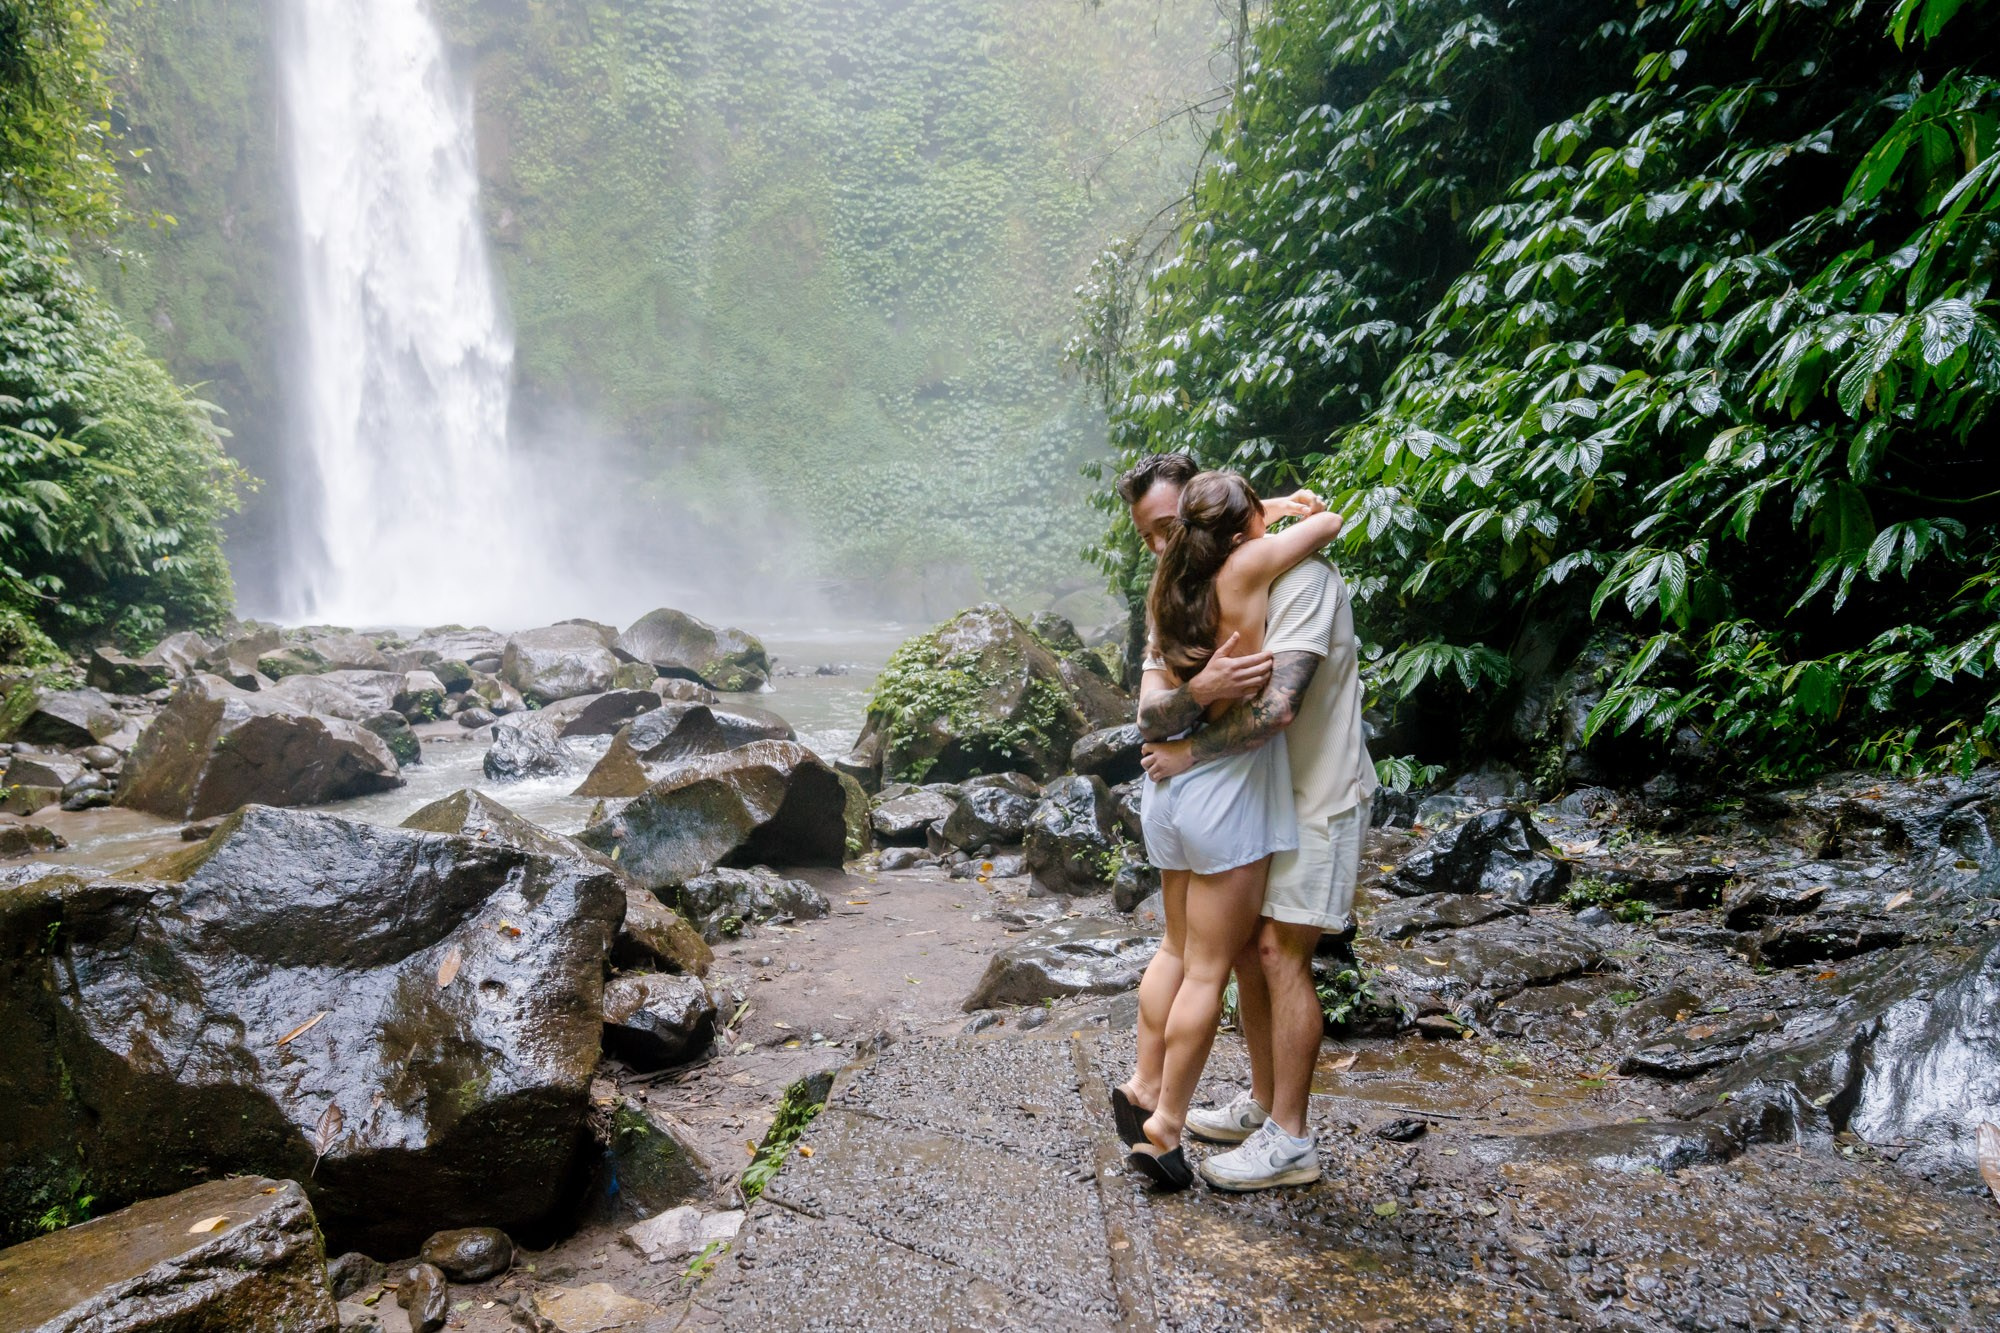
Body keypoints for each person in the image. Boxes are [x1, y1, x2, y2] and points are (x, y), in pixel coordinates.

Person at [1115, 451, 1375, 1193]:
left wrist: (1190, 743)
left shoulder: (1300, 582)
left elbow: (1280, 705)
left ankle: (1288, 1135)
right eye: (1151, 538)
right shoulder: (1194, 582)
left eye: (1172, 529)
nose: (1164, 550)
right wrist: (1198, 692)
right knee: (1232, 956)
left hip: (1312, 790)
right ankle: (1257, 1103)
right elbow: (1149, 711)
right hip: (1245, 796)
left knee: (1271, 952)